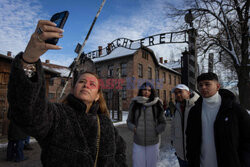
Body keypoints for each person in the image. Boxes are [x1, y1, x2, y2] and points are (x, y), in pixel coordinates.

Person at [7, 20, 127, 167]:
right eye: (82, 81)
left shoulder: (105, 123)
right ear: (73, 88)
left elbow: (120, 151)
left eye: (92, 84)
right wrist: (29, 60)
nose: (86, 85)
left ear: (97, 96)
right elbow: (27, 112)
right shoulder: (58, 116)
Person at [186, 72, 250, 167]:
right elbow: (190, 139)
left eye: (207, 84)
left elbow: (247, 138)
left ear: (218, 86)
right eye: (200, 85)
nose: (203, 87)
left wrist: (244, 163)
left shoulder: (234, 109)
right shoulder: (195, 111)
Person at [127, 82, 166, 167]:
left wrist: (156, 131)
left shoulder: (157, 103)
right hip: (138, 142)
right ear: (141, 90)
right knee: (138, 164)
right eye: (144, 89)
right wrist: (134, 128)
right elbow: (129, 121)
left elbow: (163, 122)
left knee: (152, 165)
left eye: (149, 90)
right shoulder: (135, 103)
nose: (146, 92)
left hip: (153, 142)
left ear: (152, 92)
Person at [170, 84, 199, 167]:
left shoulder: (197, 106)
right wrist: (173, 141)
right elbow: (173, 126)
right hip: (180, 155)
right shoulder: (177, 108)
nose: (178, 95)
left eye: (180, 92)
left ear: (188, 92)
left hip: (195, 156)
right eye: (176, 93)